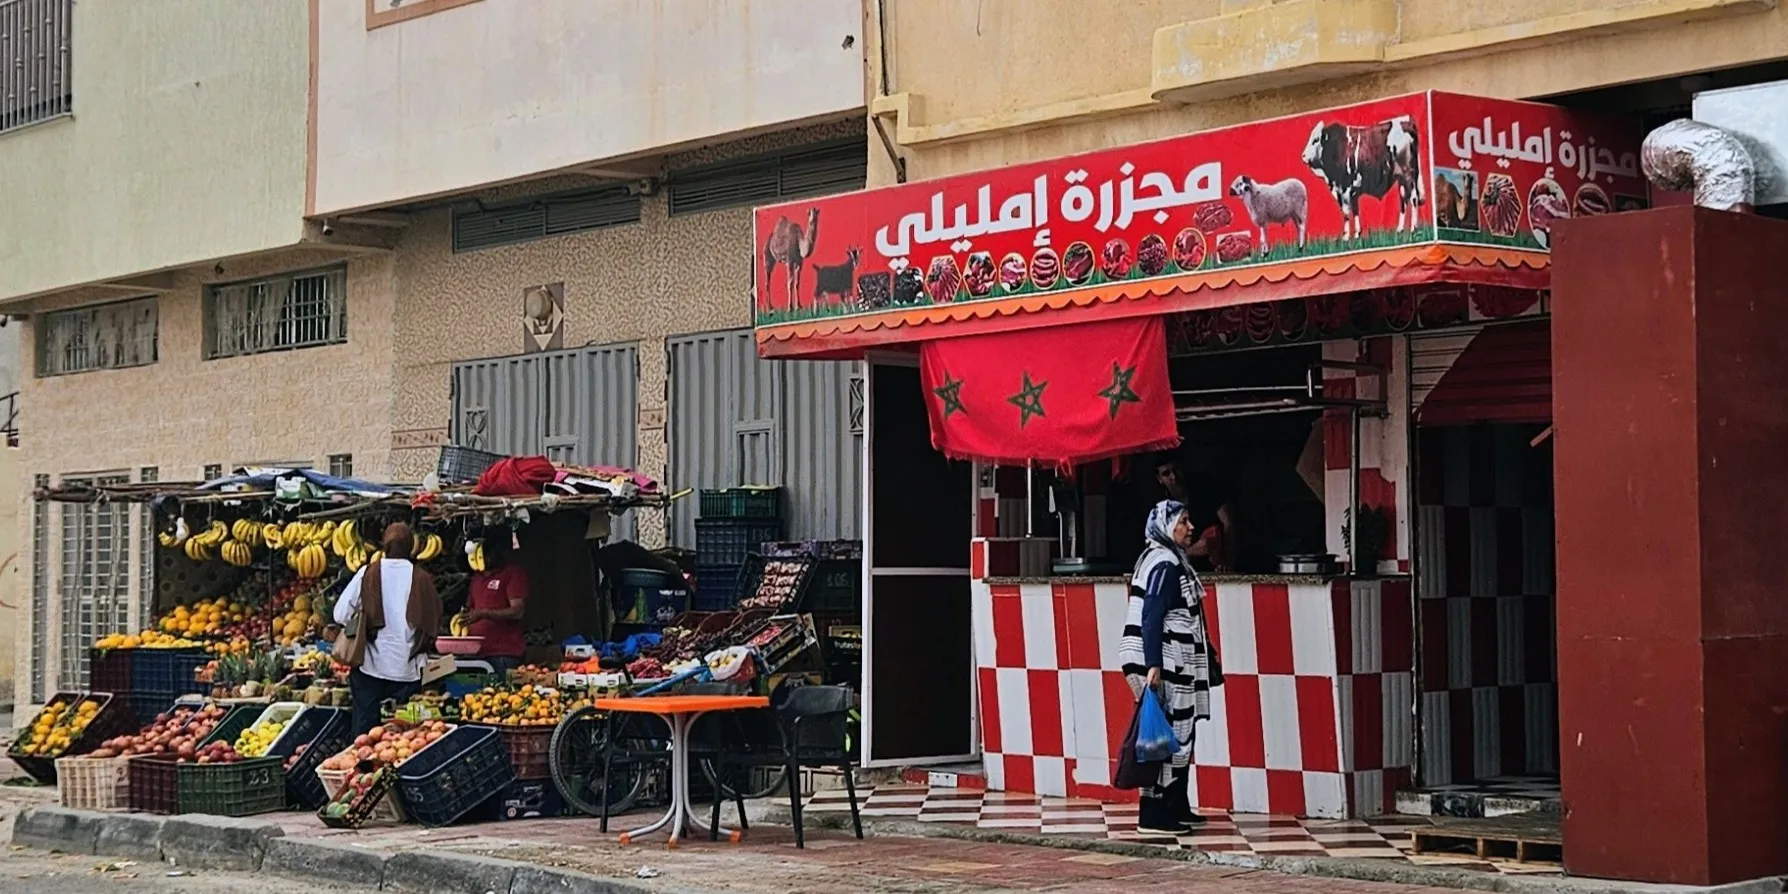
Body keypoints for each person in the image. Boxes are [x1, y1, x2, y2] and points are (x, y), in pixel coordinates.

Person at [1119, 500, 1221, 835]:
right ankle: (1154, 813)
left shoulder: (1163, 558)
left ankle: (1175, 804)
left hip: (1167, 657)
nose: (1190, 528)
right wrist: (1154, 664)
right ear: (1166, 527)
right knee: (1170, 736)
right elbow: (1152, 615)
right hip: (1166, 659)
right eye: (1183, 521)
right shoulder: (1166, 563)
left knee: (1176, 732)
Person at [333, 522, 442, 735]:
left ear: (384, 546)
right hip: (407, 671)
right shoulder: (421, 578)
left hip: (370, 669)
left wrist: (361, 622)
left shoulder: (368, 573)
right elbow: (434, 619)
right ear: (411, 547)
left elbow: (340, 614)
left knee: (365, 732)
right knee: (404, 734)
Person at [1155, 453, 1237, 572]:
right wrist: (1191, 552)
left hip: (1216, 566)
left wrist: (1228, 562)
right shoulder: (1159, 507)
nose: (1174, 477)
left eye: (1176, 469)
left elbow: (1229, 523)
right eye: (1166, 473)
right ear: (1160, 479)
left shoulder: (1207, 488)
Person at [467, 531, 530, 675]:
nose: (486, 558)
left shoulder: (512, 573)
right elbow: (470, 608)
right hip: (477, 652)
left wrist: (485, 613)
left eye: (489, 553)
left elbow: (517, 611)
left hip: (504, 653)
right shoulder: (476, 578)